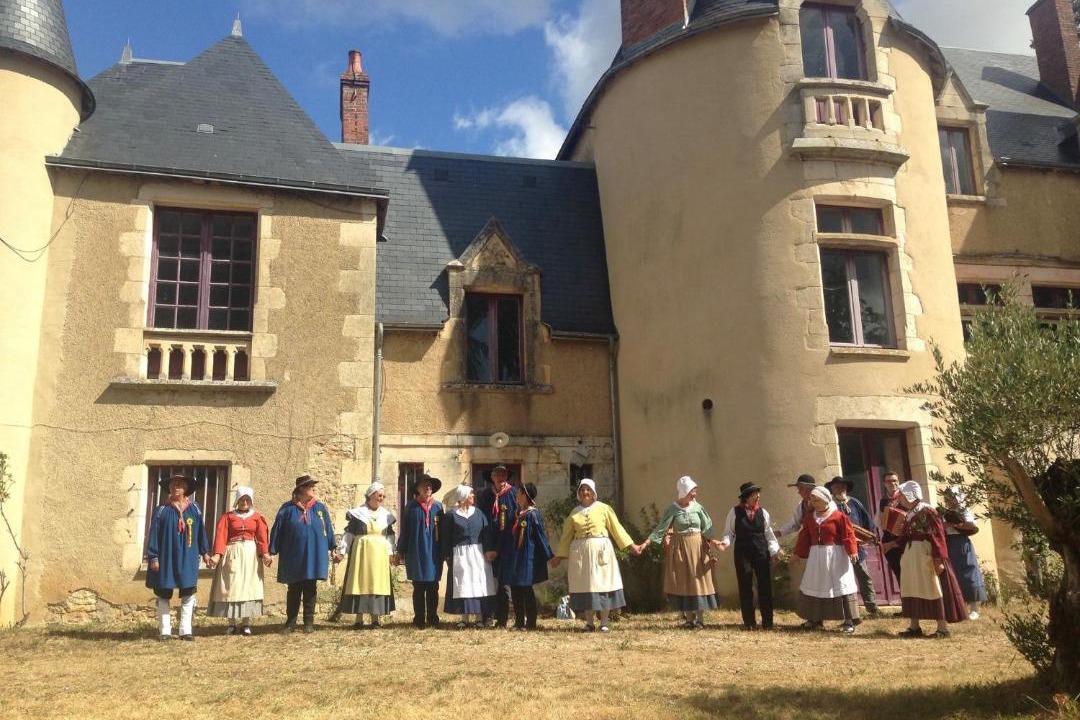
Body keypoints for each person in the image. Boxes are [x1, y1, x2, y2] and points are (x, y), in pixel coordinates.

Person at [551, 479, 641, 632]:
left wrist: (631, 546)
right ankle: (589, 622)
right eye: (582, 490)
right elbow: (566, 536)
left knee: (603, 584)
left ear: (593, 493)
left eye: (588, 490)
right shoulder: (574, 513)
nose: (585, 492)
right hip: (581, 552)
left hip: (601, 550)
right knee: (586, 586)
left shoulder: (604, 509)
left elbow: (617, 529)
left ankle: (604, 622)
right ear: (578, 493)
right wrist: (558, 557)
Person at [637, 476, 718, 629]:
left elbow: (707, 528)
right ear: (684, 492)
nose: (694, 494)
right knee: (685, 581)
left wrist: (715, 542)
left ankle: (700, 618)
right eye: (692, 491)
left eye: (695, 491)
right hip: (681, 548)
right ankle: (689, 619)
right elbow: (661, 529)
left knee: (698, 581)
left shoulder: (698, 508)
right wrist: (645, 544)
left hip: (697, 547)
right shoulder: (673, 509)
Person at [895, 480, 968, 637]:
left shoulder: (927, 511)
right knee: (912, 587)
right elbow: (906, 536)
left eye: (901, 494)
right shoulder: (910, 513)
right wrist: (892, 544)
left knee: (933, 587)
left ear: (910, 495)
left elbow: (938, 535)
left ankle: (942, 628)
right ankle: (914, 626)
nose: (899, 498)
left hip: (926, 554)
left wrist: (939, 559)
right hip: (912, 556)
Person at [268, 475, 339, 634]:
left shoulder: (320, 509)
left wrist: (333, 548)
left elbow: (328, 529)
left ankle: (308, 622)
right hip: (294, 555)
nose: (314, 488)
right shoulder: (287, 509)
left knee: (310, 588)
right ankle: (290, 623)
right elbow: (277, 531)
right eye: (310, 486)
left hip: (313, 555)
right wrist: (272, 551)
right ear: (301, 489)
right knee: (294, 589)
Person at [145, 474, 211, 641]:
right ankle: (165, 630)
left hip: (188, 556)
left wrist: (205, 552)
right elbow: (153, 535)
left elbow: (201, 532)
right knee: (163, 592)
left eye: (180, 484)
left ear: (186, 488)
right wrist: (153, 557)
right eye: (173, 485)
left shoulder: (194, 509)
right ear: (169, 489)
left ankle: (185, 629)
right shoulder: (161, 511)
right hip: (166, 557)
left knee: (188, 591)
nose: (176, 487)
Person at [794, 486, 861, 634]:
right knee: (815, 583)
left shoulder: (839, 516)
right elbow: (804, 537)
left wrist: (852, 551)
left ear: (825, 500)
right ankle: (815, 619)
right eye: (812, 500)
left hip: (836, 556)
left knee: (840, 584)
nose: (814, 503)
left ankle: (848, 620)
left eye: (817, 500)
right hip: (816, 557)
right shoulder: (810, 518)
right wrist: (797, 553)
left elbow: (848, 534)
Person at [207, 485, 271, 635]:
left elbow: (262, 538)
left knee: (248, 587)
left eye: (247, 499)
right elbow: (221, 536)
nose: (244, 502)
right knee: (231, 587)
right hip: (232, 552)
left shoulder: (256, 517)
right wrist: (217, 555)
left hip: (250, 554)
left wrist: (265, 554)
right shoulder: (227, 517)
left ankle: (246, 623)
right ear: (237, 500)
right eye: (242, 499)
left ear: (251, 501)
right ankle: (231, 623)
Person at [717, 482, 780, 630]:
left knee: (764, 586)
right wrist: (725, 543)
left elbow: (769, 535)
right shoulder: (734, 512)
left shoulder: (763, 513)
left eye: (758, 493)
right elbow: (729, 532)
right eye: (754, 494)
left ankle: (768, 623)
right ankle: (749, 622)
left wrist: (774, 551)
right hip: (742, 553)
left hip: (761, 552)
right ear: (746, 497)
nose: (757, 496)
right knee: (745, 585)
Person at [337, 481, 397, 629]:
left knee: (377, 582)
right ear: (371, 495)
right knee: (360, 582)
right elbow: (349, 534)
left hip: (380, 555)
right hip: (361, 554)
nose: (382, 498)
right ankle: (359, 618)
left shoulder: (386, 515)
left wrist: (391, 553)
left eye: (383, 496)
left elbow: (389, 536)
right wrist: (342, 551)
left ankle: (376, 619)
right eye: (379, 495)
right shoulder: (358, 514)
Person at [440, 484, 497, 628]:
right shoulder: (451, 515)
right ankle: (464, 618)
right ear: (463, 497)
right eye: (470, 494)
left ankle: (479, 618)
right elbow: (445, 538)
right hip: (460, 555)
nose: (473, 496)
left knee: (477, 584)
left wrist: (489, 550)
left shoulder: (478, 513)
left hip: (478, 554)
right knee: (464, 585)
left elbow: (486, 534)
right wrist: (447, 555)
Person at [498, 482, 554, 630]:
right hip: (514, 557)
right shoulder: (517, 514)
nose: (516, 495)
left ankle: (531, 622)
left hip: (526, 557)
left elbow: (540, 537)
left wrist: (549, 556)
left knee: (526, 589)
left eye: (519, 493)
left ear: (525, 496)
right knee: (515, 588)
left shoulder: (533, 514)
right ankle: (519, 622)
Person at [826, 476, 880, 616]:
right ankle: (843, 610)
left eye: (843, 486)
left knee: (864, 576)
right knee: (840, 579)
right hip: (838, 548)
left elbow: (868, 522)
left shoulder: (854, 502)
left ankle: (872, 607)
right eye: (837, 486)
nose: (840, 489)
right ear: (832, 488)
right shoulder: (828, 504)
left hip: (857, 548)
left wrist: (868, 537)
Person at [397, 474, 444, 629]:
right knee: (418, 586)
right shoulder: (411, 507)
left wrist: (444, 551)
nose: (427, 488)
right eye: (424, 485)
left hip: (433, 551)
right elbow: (405, 531)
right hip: (416, 550)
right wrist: (401, 550)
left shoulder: (438, 507)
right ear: (417, 489)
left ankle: (432, 617)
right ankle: (419, 618)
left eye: (429, 485)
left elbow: (443, 532)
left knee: (432, 586)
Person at [476, 464, 517, 628]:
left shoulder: (514, 494)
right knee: (486, 583)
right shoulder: (485, 495)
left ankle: (502, 619)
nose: (500, 477)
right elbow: (481, 522)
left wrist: (499, 549)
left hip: (507, 547)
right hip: (488, 547)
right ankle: (487, 617)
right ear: (491, 477)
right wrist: (487, 548)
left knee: (504, 585)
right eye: (497, 474)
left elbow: (514, 523)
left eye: (503, 474)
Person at [941, 486, 987, 620]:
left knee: (969, 573)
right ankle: (959, 608)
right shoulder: (944, 512)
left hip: (962, 544)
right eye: (947, 497)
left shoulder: (963, 510)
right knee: (953, 575)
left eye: (951, 497)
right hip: (949, 544)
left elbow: (971, 527)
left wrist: (953, 525)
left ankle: (974, 609)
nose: (949, 500)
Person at [878, 471, 906, 585]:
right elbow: (880, 521)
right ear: (885, 484)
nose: (892, 483)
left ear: (898, 482)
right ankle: (905, 600)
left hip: (905, 541)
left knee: (909, 573)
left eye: (895, 481)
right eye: (889, 481)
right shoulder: (883, 501)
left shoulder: (905, 497)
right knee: (899, 574)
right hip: (889, 540)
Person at [775, 474, 817, 538]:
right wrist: (779, 532)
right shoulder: (802, 505)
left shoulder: (823, 502)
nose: (799, 492)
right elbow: (794, 523)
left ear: (809, 489)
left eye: (801, 489)